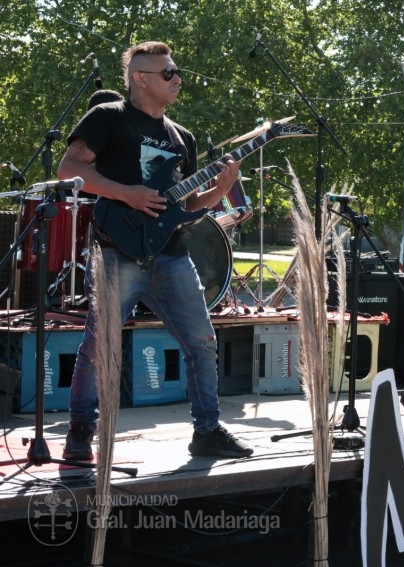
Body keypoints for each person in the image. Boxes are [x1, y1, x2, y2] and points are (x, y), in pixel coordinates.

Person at [57, 41, 252, 460]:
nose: (177, 78)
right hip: (116, 251)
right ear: (140, 78)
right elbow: (69, 170)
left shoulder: (182, 137)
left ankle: (207, 430)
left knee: (202, 341)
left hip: (171, 254)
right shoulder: (108, 117)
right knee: (99, 346)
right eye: (168, 72)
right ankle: (80, 433)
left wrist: (221, 186)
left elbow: (189, 206)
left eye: (177, 71)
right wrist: (126, 193)